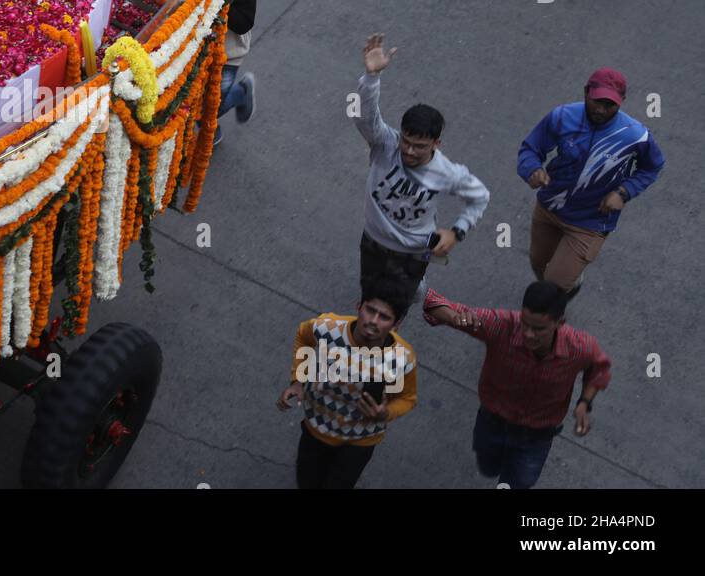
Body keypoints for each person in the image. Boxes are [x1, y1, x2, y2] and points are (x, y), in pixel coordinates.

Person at [423, 282, 611, 489]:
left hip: (536, 438)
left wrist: (584, 403)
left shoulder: (580, 347)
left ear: (560, 322)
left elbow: (599, 369)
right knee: (487, 467)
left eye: (539, 329)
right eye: (525, 324)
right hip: (491, 423)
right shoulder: (502, 325)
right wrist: (454, 318)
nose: (529, 334)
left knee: (520, 483)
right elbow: (433, 302)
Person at [354, 33, 489, 297]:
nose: (408, 150)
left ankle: (412, 292)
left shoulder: (447, 172)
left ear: (436, 143)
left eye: (419, 146)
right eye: (406, 141)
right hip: (372, 240)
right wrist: (371, 78)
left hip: (412, 253)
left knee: (395, 305)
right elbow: (365, 118)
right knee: (370, 294)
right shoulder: (385, 144)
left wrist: (457, 232)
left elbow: (480, 198)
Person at [517, 68, 665, 298]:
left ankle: (553, 319)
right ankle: (570, 280)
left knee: (552, 288)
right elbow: (531, 149)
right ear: (586, 92)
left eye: (610, 105)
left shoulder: (635, 135)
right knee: (539, 264)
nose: (601, 110)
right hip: (549, 207)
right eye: (597, 101)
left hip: (590, 221)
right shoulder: (562, 117)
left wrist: (624, 192)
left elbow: (652, 166)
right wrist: (532, 169)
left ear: (621, 103)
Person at [276, 277, 418, 489]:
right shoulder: (327, 329)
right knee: (307, 482)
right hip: (315, 430)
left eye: (384, 317)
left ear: (396, 325)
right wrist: (298, 380)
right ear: (358, 307)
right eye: (370, 310)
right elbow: (303, 337)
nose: (374, 321)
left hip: (360, 442)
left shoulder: (401, 358)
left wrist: (385, 413)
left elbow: (407, 399)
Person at [207, 0, 260, 146]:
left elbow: (245, 21)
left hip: (228, 52)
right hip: (197, 44)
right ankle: (209, 126)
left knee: (213, 105)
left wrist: (217, 5)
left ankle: (240, 94)